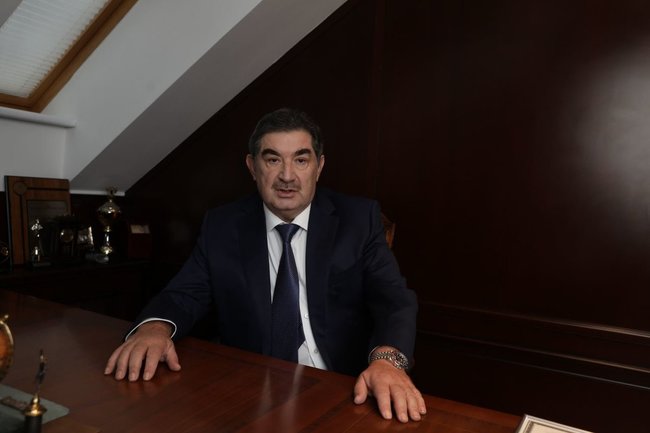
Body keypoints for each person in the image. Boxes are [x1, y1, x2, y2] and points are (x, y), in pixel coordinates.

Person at [104, 108, 426, 423]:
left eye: (301, 160)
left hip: (340, 388)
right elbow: (184, 293)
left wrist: (387, 362)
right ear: (252, 166)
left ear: (319, 166)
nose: (287, 176)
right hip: (250, 389)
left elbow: (394, 300)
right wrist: (153, 330)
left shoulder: (358, 220)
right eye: (273, 160)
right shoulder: (223, 226)